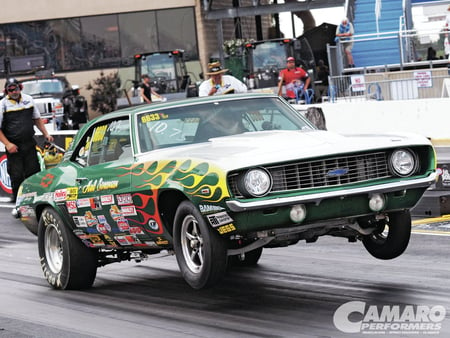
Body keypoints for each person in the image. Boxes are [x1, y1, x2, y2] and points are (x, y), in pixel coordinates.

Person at [0, 78, 54, 203]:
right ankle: (18, 200)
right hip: (13, 146)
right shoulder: (2, 104)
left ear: (20, 88)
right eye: (11, 89)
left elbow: (37, 119)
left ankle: (35, 198)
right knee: (16, 174)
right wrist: (7, 144)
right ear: (6, 91)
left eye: (16, 88)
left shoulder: (29, 99)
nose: (14, 91)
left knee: (34, 172)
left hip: (29, 142)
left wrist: (46, 133)